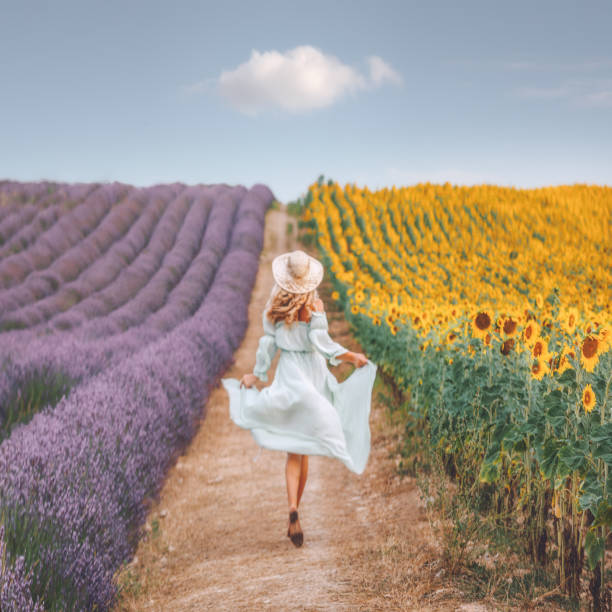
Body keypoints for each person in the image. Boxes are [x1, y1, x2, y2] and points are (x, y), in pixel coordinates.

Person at [221, 250, 377, 548]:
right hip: (311, 378)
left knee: (295, 452)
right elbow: (323, 344)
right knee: (305, 448)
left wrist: (257, 375)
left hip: (289, 378)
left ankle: (293, 508)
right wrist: (351, 356)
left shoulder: (274, 308)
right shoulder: (313, 308)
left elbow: (267, 346)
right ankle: (295, 511)